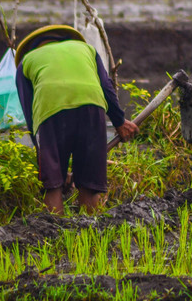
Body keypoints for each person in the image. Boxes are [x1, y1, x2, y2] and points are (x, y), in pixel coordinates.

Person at [14, 25, 138, 214]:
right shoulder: (87, 50)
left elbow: (30, 114)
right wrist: (119, 121)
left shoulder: (26, 62)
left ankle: (55, 234)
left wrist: (45, 156)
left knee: (52, 185)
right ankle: (91, 233)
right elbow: (106, 87)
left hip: (50, 113)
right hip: (92, 108)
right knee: (89, 183)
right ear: (64, 38)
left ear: (33, 47)